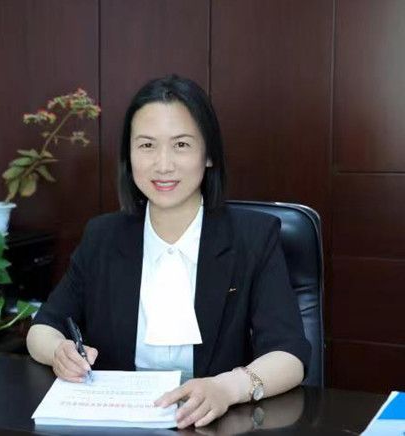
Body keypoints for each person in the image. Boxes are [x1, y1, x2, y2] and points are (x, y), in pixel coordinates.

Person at [26, 74, 310, 429]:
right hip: (120, 425)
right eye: (146, 145)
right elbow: (43, 327)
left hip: (217, 426)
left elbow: (290, 355)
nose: (163, 164)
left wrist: (227, 387)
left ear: (209, 154)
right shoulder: (103, 237)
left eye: (181, 145)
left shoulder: (252, 238)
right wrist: (59, 351)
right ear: (129, 156)